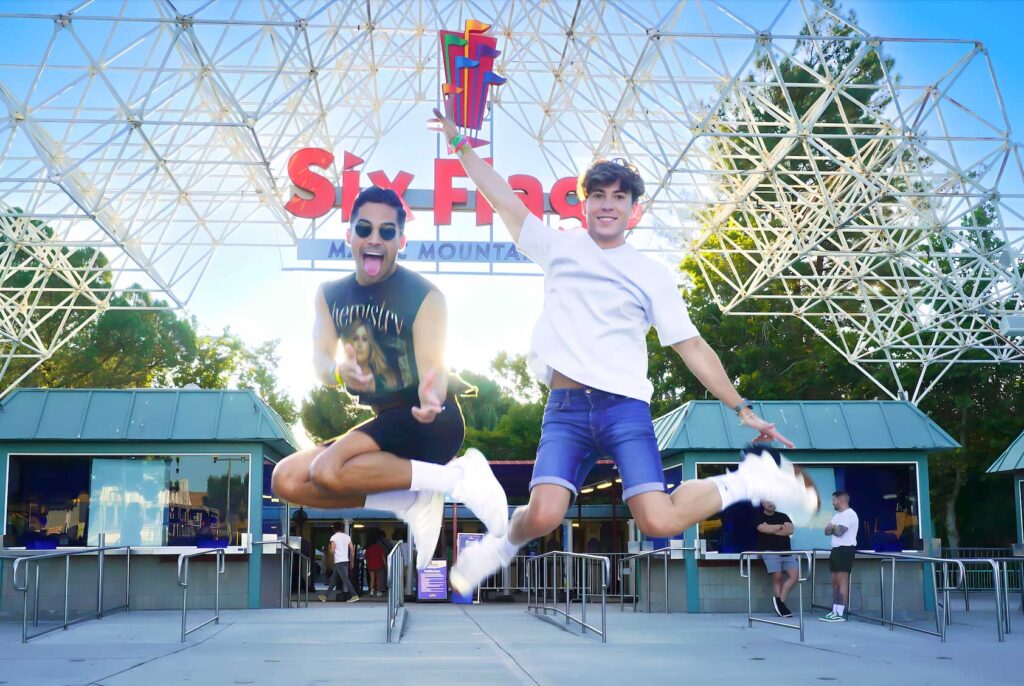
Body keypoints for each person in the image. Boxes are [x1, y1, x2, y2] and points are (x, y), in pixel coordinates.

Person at [429, 105, 820, 596]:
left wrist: (739, 407)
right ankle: (503, 544)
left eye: (619, 196)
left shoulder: (651, 274)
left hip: (624, 410)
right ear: (584, 203)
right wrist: (459, 143)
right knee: (545, 513)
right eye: (597, 195)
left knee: (658, 522)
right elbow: (503, 198)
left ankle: (747, 481)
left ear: (634, 208)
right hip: (566, 410)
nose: (607, 204)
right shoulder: (558, 247)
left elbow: (692, 345)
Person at [271, 186, 509, 571]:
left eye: (386, 232)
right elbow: (319, 358)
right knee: (287, 480)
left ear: (401, 241)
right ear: (349, 234)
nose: (374, 239)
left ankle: (459, 478)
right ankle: (412, 498)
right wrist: (336, 370)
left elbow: (433, 366)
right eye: (364, 229)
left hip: (430, 422)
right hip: (385, 425)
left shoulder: (425, 296)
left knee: (327, 470)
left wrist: (432, 392)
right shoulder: (330, 295)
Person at [820, 490, 858, 622]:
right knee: (835, 581)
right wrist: (833, 527)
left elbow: (839, 532)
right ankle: (834, 610)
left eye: (833, 500)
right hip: (835, 550)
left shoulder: (849, 514)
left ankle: (840, 612)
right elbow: (826, 531)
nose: (832, 503)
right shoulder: (837, 516)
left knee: (842, 581)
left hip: (845, 550)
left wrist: (833, 527)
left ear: (841, 500)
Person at [755, 501, 796, 618]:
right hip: (770, 551)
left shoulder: (783, 516)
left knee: (794, 576)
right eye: (768, 501)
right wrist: (781, 527)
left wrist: (771, 529)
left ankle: (780, 602)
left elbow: (790, 530)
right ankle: (780, 604)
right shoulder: (759, 516)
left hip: (786, 551)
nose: (771, 503)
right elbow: (763, 529)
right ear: (763, 503)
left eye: (773, 500)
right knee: (777, 577)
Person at [320, 522, 360, 603]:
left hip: (339, 561)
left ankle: (354, 595)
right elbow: (352, 550)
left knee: (345, 579)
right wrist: (352, 561)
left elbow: (332, 550)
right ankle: (325, 596)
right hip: (345, 560)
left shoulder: (333, 537)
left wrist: (328, 548)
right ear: (341, 528)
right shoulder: (347, 536)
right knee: (333, 580)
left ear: (334, 529)